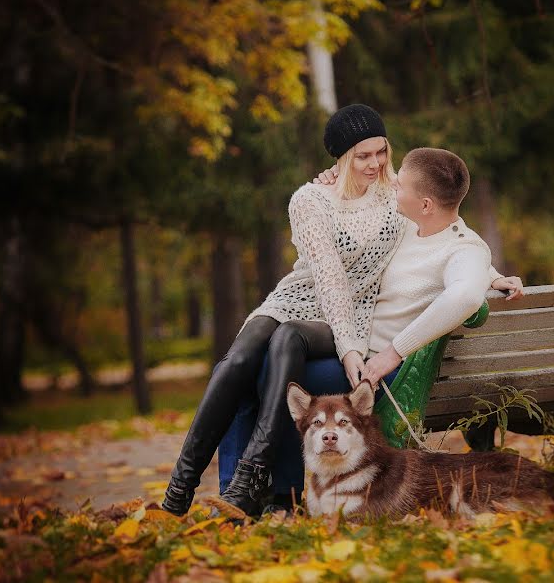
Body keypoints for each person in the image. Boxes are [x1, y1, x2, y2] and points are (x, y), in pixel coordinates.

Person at [218, 147, 524, 514]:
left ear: (425, 203)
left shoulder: (466, 250)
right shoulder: (409, 224)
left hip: (382, 369)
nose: (392, 183)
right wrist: (335, 178)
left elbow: (465, 294)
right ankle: (240, 496)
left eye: (402, 183)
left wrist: (394, 351)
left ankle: (281, 499)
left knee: (265, 372)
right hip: (351, 347)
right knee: (253, 367)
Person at [162, 104, 403, 517]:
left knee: (289, 335)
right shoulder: (310, 200)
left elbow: (447, 230)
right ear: (341, 158)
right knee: (236, 361)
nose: (374, 163)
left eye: (380, 151)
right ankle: (178, 491)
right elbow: (324, 275)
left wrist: (490, 275)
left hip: (345, 315)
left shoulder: (398, 195)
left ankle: (252, 472)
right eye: (362, 156)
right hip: (294, 299)